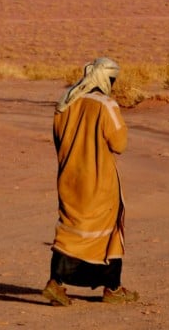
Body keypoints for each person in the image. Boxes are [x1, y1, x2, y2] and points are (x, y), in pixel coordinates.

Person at [43, 56, 140, 305]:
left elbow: (57, 139)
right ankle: (112, 289)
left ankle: (56, 283)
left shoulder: (67, 102)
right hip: (99, 182)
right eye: (111, 79)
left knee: (70, 232)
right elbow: (119, 143)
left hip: (69, 178)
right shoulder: (106, 104)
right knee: (108, 234)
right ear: (104, 78)